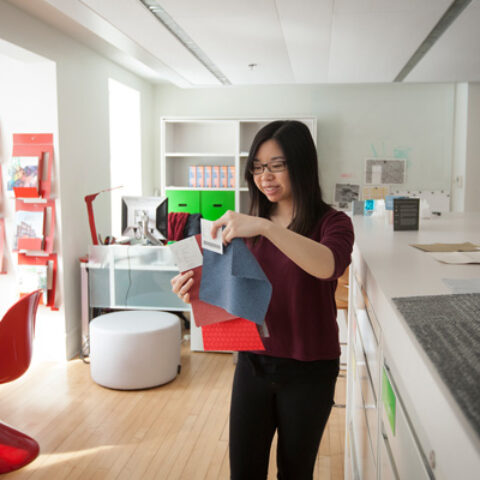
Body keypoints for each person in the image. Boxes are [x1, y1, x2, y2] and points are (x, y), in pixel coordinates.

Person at [171, 120, 354, 480]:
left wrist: (268, 228)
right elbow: (229, 292)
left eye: (276, 164)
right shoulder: (242, 229)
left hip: (310, 369)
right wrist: (190, 284)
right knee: (244, 471)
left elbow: (328, 266)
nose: (264, 176)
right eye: (257, 166)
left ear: (302, 164)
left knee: (296, 471)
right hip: (253, 363)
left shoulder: (333, 223)